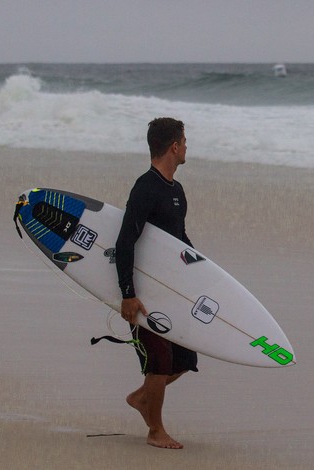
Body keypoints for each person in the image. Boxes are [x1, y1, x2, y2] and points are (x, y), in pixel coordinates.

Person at [115, 117, 197, 449]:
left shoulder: (176, 190)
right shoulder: (146, 187)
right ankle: (155, 431)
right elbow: (124, 241)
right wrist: (128, 294)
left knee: (184, 361)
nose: (187, 147)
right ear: (174, 147)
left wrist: (200, 273)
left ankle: (140, 398)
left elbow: (179, 240)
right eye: (185, 141)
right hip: (144, 293)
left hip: (169, 290)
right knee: (160, 362)